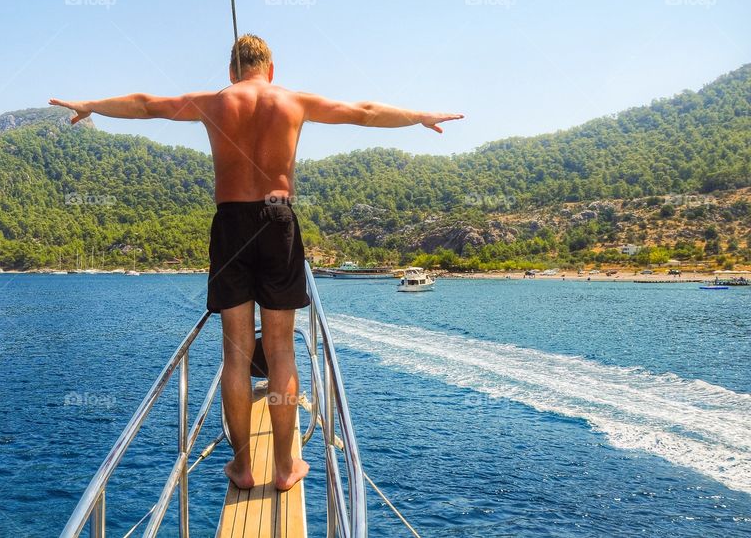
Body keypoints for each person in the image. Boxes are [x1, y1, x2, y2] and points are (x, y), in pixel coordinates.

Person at [50, 34, 463, 491]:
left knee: (236, 353)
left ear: (231, 71)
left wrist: (91, 105)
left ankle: (243, 466)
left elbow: (146, 105)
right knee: (281, 349)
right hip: (277, 218)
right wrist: (418, 116)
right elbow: (363, 112)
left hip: (230, 223)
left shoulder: (213, 102)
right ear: (271, 68)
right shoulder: (292, 101)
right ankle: (286, 467)